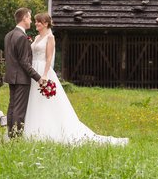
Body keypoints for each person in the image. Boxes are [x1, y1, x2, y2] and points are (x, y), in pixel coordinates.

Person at [23, 12, 128, 145]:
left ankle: (48, 130)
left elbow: (49, 58)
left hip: (43, 70)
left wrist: (44, 75)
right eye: (35, 21)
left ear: (45, 23)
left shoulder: (50, 37)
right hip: (34, 69)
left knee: (45, 101)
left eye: (38, 21)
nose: (36, 23)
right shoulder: (37, 37)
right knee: (33, 100)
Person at [3, 7, 45, 138]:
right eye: (30, 18)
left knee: (12, 107)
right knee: (19, 110)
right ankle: (16, 138)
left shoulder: (9, 35)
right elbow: (24, 62)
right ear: (24, 18)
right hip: (21, 78)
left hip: (11, 77)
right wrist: (38, 77)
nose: (31, 21)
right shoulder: (21, 37)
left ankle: (11, 135)